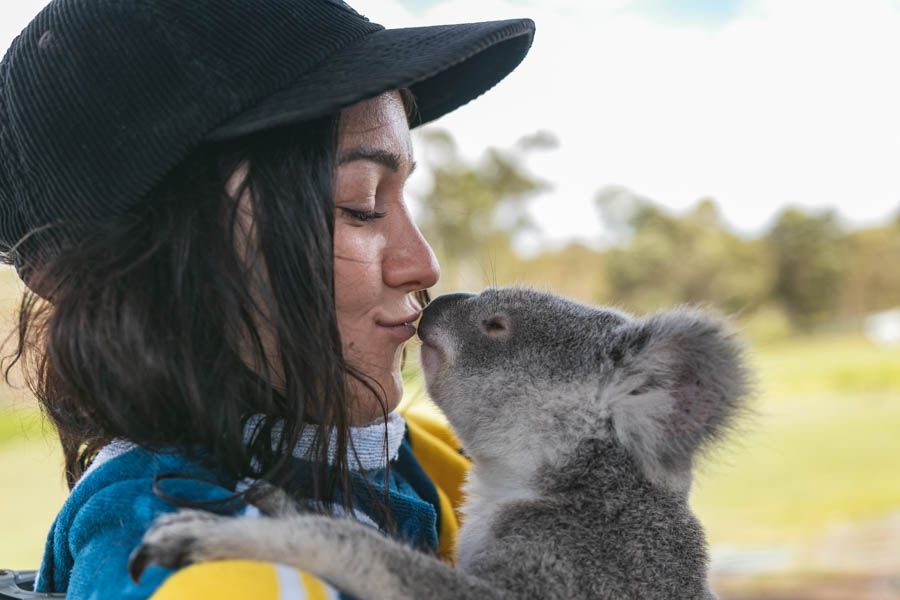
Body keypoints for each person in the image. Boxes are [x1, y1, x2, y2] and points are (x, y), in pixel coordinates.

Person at [0, 0, 534, 598]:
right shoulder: (189, 564)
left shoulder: (412, 457)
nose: (423, 264)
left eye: (405, 194)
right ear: (145, 265)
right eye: (361, 205)